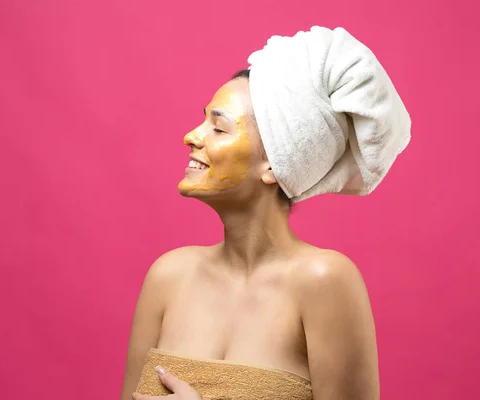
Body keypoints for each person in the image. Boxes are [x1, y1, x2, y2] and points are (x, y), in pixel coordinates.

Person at [121, 26, 410, 400]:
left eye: (219, 127)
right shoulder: (168, 276)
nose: (193, 136)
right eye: (203, 119)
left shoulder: (325, 281)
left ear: (275, 164)